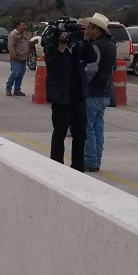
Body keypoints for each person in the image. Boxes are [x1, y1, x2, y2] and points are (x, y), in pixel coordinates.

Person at [44, 20, 97, 172]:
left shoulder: (79, 45)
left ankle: (78, 167)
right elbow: (52, 67)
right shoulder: (52, 47)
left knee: (80, 134)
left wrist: (85, 39)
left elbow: (92, 57)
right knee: (59, 133)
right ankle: (56, 166)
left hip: (78, 97)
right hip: (61, 98)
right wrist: (61, 47)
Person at [83, 13, 116, 173]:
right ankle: (96, 160)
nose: (87, 30)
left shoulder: (96, 46)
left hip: (93, 91)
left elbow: (91, 68)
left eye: (89, 28)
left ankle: (89, 161)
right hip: (105, 91)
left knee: (87, 128)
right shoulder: (110, 45)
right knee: (97, 128)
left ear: (96, 29)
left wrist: (82, 82)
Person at [5, 20, 30, 96]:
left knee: (20, 76)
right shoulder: (13, 35)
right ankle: (8, 89)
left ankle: (17, 90)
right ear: (18, 26)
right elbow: (10, 46)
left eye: (25, 25)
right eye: (23, 25)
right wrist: (13, 56)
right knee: (14, 74)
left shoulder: (23, 35)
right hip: (16, 59)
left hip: (23, 59)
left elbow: (26, 44)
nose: (24, 27)